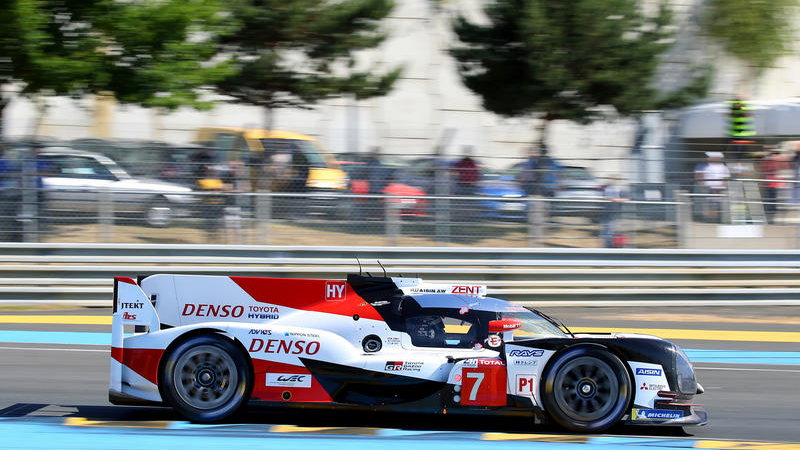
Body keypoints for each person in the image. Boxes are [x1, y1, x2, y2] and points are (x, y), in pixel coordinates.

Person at [694, 151, 730, 222]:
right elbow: (698, 176)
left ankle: (714, 219)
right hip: (705, 189)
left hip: (718, 190)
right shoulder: (702, 166)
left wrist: (720, 188)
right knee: (707, 205)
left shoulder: (724, 168)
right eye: (709, 157)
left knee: (715, 205)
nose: (709, 158)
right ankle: (707, 219)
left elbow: (725, 179)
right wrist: (703, 186)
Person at [759, 147, 789, 223]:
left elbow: (767, 169)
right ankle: (772, 210)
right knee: (772, 196)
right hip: (772, 182)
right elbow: (768, 169)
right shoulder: (772, 160)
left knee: (772, 196)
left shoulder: (771, 159)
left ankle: (771, 210)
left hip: (772, 181)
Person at [600, 175, 628, 248]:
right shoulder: (606, 189)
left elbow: (627, 198)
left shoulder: (620, 189)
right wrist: (610, 199)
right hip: (607, 211)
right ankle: (608, 244)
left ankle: (615, 244)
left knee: (614, 228)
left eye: (615, 179)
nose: (613, 181)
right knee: (608, 228)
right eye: (611, 179)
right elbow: (603, 198)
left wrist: (617, 200)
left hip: (616, 211)